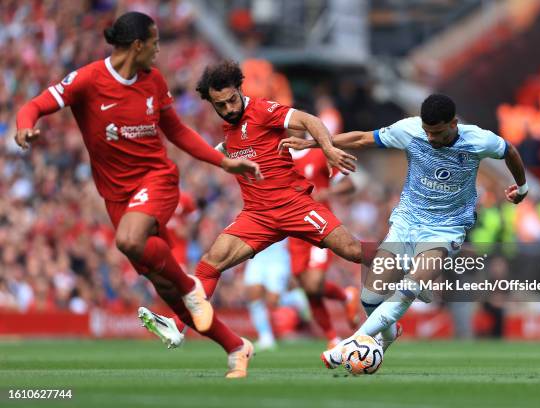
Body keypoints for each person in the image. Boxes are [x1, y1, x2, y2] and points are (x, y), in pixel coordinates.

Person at [14, 12, 261, 377]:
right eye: (156, 43)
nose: (159, 50)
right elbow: (33, 105)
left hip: (157, 179)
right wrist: (24, 128)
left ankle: (191, 286)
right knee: (169, 292)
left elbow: (177, 132)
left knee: (129, 241)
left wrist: (223, 164)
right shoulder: (87, 80)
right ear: (137, 45)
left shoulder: (153, 81)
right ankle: (236, 347)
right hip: (116, 196)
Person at [138, 60, 379, 376]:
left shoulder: (264, 109)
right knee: (212, 261)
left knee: (352, 251)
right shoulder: (229, 127)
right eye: (219, 105)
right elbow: (232, 148)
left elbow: (310, 120)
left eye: (231, 100)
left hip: (294, 206)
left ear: (240, 89)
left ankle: (406, 259)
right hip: (257, 215)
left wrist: (329, 149)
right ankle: (178, 326)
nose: (227, 108)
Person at [279, 94, 528, 368]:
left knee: (410, 286)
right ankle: (389, 331)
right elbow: (362, 138)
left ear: (454, 123)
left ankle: (349, 344)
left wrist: (522, 187)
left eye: (438, 132)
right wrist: (315, 143)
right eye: (427, 131)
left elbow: (510, 152)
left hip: (446, 228)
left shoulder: (479, 139)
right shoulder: (409, 130)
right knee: (370, 297)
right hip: (407, 221)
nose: (431, 138)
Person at [288, 147, 360, 349]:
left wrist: (328, 191)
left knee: (314, 283)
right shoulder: (279, 155)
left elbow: (349, 185)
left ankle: (346, 297)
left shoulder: (318, 154)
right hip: (293, 229)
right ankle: (333, 338)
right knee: (308, 289)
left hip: (319, 226)